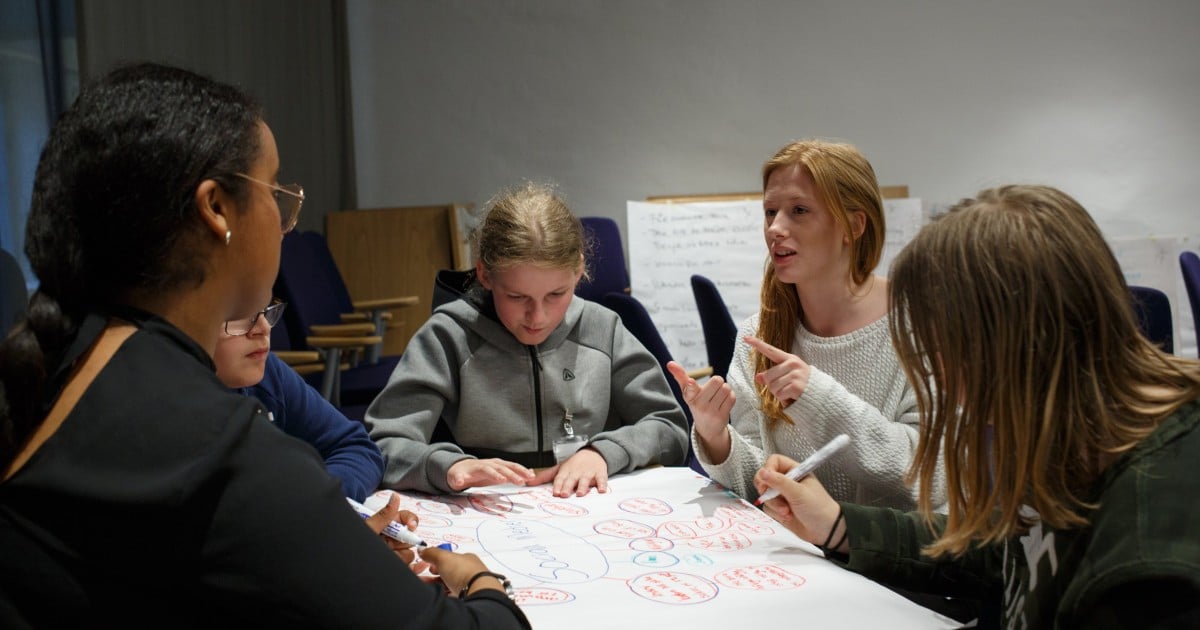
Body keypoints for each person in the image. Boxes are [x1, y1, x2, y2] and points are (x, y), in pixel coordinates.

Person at [0, 62, 529, 628]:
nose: (286, 221)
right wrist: (480, 580)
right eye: (276, 190)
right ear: (217, 210)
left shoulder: (75, 362)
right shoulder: (211, 447)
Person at [754, 185, 1200, 628]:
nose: (939, 379)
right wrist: (836, 524)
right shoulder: (1070, 432)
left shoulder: (1149, 568)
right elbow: (1002, 553)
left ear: (1010, 347)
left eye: (940, 349)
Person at [668, 139, 945, 510]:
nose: (775, 229)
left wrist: (819, 398)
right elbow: (758, 486)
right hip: (795, 555)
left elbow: (930, 478)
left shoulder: (919, 327)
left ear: (853, 225)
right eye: (770, 212)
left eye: (799, 210)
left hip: (883, 561)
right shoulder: (760, 333)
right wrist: (716, 436)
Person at [366, 182, 689, 498]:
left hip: (590, 507)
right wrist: (449, 466)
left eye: (556, 294)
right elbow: (383, 445)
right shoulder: (448, 336)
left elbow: (670, 430)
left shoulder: (602, 328)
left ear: (579, 270)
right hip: (488, 509)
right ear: (485, 275)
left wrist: (603, 453)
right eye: (517, 296)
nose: (538, 317)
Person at [213, 299, 385, 501]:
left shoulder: (268, 373)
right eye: (240, 315)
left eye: (265, 310)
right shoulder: (175, 410)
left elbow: (356, 447)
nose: (264, 327)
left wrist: (320, 501)